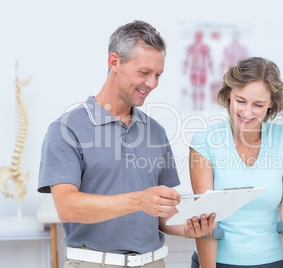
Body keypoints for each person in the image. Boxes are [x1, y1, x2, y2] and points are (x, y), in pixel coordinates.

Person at [38, 20, 215, 268]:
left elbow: (161, 213)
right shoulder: (66, 129)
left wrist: (188, 227)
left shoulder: (155, 132)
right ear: (114, 63)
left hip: (153, 262)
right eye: (144, 73)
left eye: (158, 75)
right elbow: (68, 207)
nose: (152, 83)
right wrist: (138, 200)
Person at [189, 57, 283, 267]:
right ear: (229, 96)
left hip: (273, 261)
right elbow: (206, 218)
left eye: (258, 105)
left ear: (271, 104)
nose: (247, 112)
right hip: (217, 262)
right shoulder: (204, 140)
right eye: (240, 101)